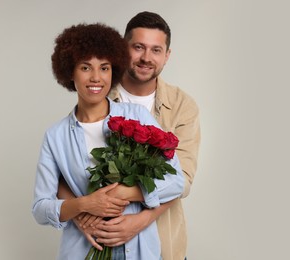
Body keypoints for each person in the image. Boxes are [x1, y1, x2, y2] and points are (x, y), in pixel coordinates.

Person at [32, 23, 184, 260]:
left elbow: (176, 182)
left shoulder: (136, 117)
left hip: (140, 250)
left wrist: (126, 193)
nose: (96, 77)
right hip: (82, 252)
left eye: (104, 67)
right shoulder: (55, 136)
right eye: (85, 67)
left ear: (113, 70)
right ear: (70, 73)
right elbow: (40, 208)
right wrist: (84, 205)